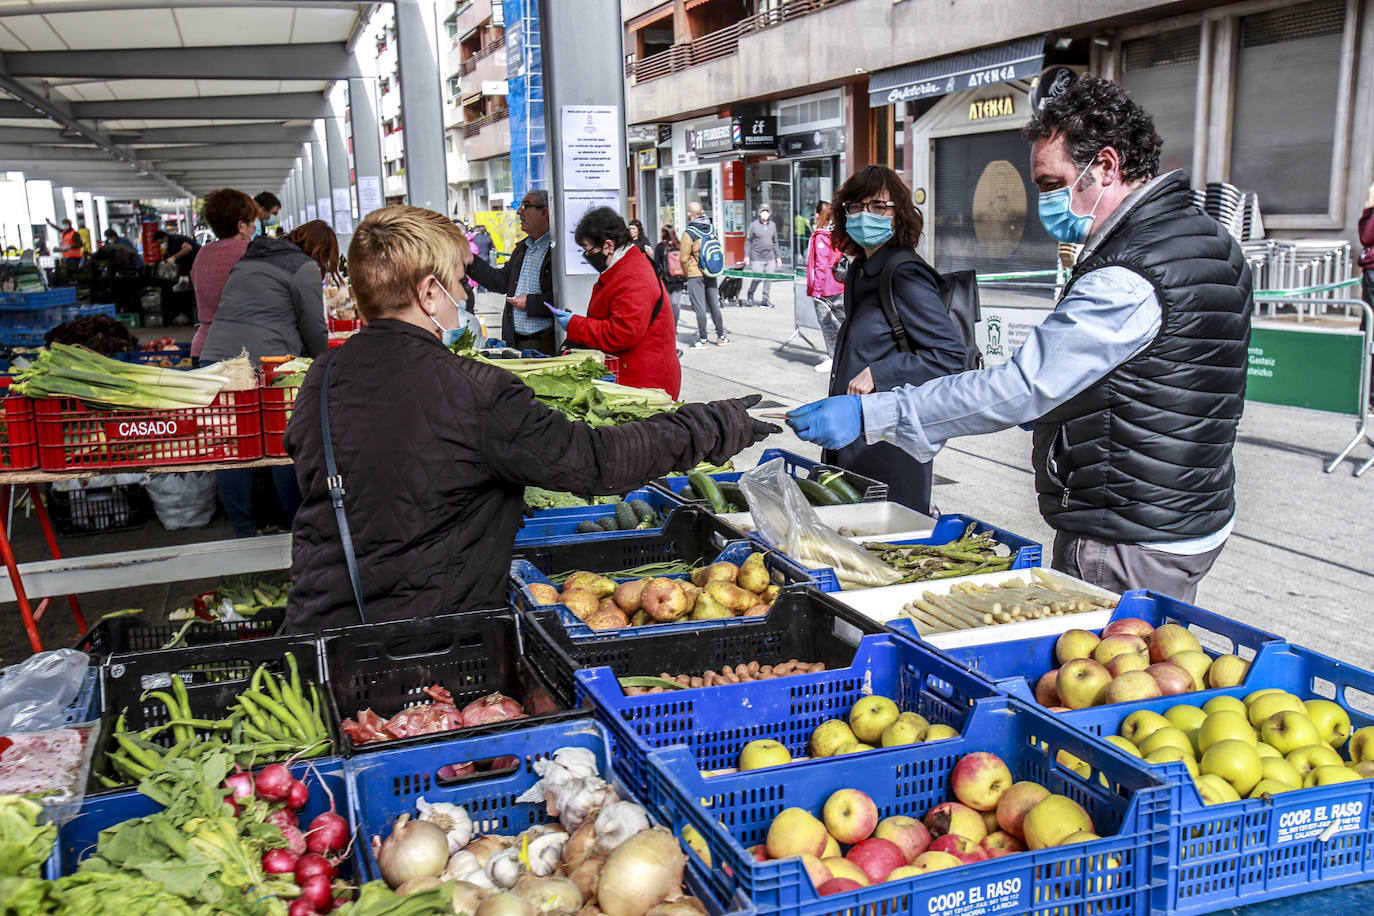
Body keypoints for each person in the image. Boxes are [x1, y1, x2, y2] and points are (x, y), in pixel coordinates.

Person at [788, 76, 1252, 602]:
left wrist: (878, 413)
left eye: (1052, 183)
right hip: (1189, 511)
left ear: (1105, 167)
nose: (1043, 202)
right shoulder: (1207, 239)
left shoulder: (1127, 273)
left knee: (1112, 671)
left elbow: (1019, 387)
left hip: (1126, 528)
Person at [280, 205, 776, 631]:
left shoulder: (323, 376)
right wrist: (712, 426)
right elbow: (596, 462)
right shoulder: (473, 391)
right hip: (429, 637)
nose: (464, 298)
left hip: (323, 628)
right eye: (458, 284)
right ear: (429, 293)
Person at [812, 167, 966, 513]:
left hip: (889, 445)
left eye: (880, 207)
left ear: (899, 216)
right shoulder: (859, 270)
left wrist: (881, 373)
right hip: (852, 437)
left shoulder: (903, 272)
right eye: (857, 206)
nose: (867, 214)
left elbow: (950, 354)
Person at [202, 220, 335, 539]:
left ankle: (245, 530)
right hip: (266, 364)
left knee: (232, 446)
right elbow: (315, 327)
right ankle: (294, 524)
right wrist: (323, 365)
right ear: (320, 250)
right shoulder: (304, 267)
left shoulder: (250, 258)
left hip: (217, 356)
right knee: (282, 443)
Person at [548, 207, 681, 398]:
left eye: (588, 250)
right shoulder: (625, 267)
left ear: (608, 245)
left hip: (644, 384)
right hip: (633, 377)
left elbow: (623, 333)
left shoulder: (634, 275)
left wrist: (575, 324)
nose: (587, 257)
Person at [466, 189, 557, 355]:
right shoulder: (523, 249)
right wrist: (471, 261)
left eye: (525, 206)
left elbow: (565, 300)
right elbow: (501, 282)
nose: (518, 211)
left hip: (545, 342)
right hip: (515, 340)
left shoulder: (556, 251)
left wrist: (530, 303)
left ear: (544, 212)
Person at [190, 188, 258, 363]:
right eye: (251, 222)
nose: (254, 227)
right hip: (240, 353)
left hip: (203, 348)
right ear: (241, 226)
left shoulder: (202, 254)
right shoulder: (251, 252)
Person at [806, 200, 846, 375]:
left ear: (818, 215)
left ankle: (833, 358)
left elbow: (821, 265)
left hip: (825, 290)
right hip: (839, 286)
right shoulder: (838, 235)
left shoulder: (821, 236)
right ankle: (842, 357)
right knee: (842, 325)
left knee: (828, 325)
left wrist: (816, 290)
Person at [681, 201, 728, 348]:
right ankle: (721, 337)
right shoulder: (711, 228)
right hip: (711, 270)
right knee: (714, 305)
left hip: (695, 274)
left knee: (700, 307)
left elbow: (683, 257)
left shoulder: (689, 233)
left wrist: (686, 272)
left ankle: (703, 340)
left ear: (689, 214)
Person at [744, 207, 780, 308]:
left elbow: (775, 242)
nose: (765, 213)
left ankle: (765, 300)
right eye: (763, 211)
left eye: (767, 212)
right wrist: (747, 256)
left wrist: (778, 257)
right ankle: (750, 294)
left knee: (768, 279)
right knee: (757, 277)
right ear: (759, 213)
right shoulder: (754, 225)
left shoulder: (772, 225)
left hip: (770, 257)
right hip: (757, 257)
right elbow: (748, 242)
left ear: (769, 214)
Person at [654, 225, 688, 329]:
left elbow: (656, 264)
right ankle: (674, 327)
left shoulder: (660, 247)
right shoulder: (680, 245)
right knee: (676, 304)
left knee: (667, 306)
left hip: (666, 280)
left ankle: (668, 328)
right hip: (679, 280)